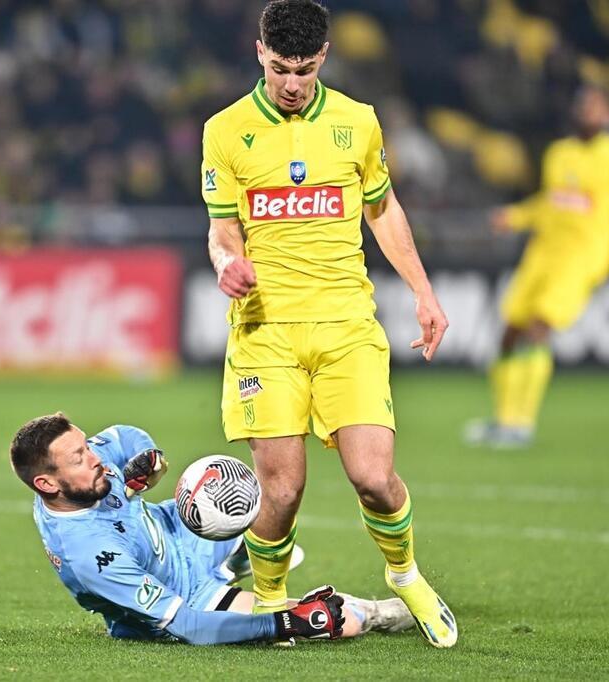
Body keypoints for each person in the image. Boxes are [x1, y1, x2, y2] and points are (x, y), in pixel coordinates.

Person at [201, 0, 456, 648]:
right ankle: (271, 604)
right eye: (282, 68)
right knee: (280, 492)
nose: (292, 83)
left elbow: (383, 208)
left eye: (305, 70)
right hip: (266, 331)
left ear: (324, 58)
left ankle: (406, 577)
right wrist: (228, 261)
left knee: (374, 478)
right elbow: (222, 227)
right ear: (260, 53)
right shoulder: (226, 131)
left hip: (346, 326)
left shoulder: (356, 122)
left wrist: (424, 292)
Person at [9, 412, 415, 645]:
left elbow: (127, 436)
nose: (96, 458)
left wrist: (151, 461)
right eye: (79, 457)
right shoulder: (90, 557)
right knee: (337, 622)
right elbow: (190, 626)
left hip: (179, 530)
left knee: (266, 498)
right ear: (47, 484)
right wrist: (283, 625)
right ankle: (376, 611)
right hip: (187, 594)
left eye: (87, 446)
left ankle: (233, 558)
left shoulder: (84, 470)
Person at [465, 86, 609, 449]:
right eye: (584, 105)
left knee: (539, 327)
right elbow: (552, 204)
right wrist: (515, 216)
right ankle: (504, 418)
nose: (589, 111)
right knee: (510, 332)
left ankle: (520, 425)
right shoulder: (559, 153)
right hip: (542, 254)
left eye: (597, 106)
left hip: (583, 260)